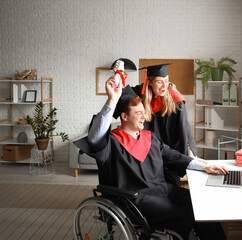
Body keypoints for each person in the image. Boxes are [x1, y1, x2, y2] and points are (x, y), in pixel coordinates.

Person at [74, 75, 228, 239]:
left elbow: (173, 156)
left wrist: (203, 166)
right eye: (138, 113)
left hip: (162, 190)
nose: (144, 117)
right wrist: (112, 99)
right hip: (136, 200)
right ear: (124, 117)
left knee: (202, 206)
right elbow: (94, 137)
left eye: (143, 112)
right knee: (184, 215)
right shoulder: (111, 143)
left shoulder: (150, 137)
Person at [112, 60, 198, 185]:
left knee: (170, 188)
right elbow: (120, 94)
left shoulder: (175, 100)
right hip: (148, 153)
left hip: (169, 152)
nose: (164, 86)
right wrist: (118, 75)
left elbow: (184, 131)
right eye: (159, 82)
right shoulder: (139, 95)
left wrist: (189, 158)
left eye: (166, 81)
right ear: (150, 82)